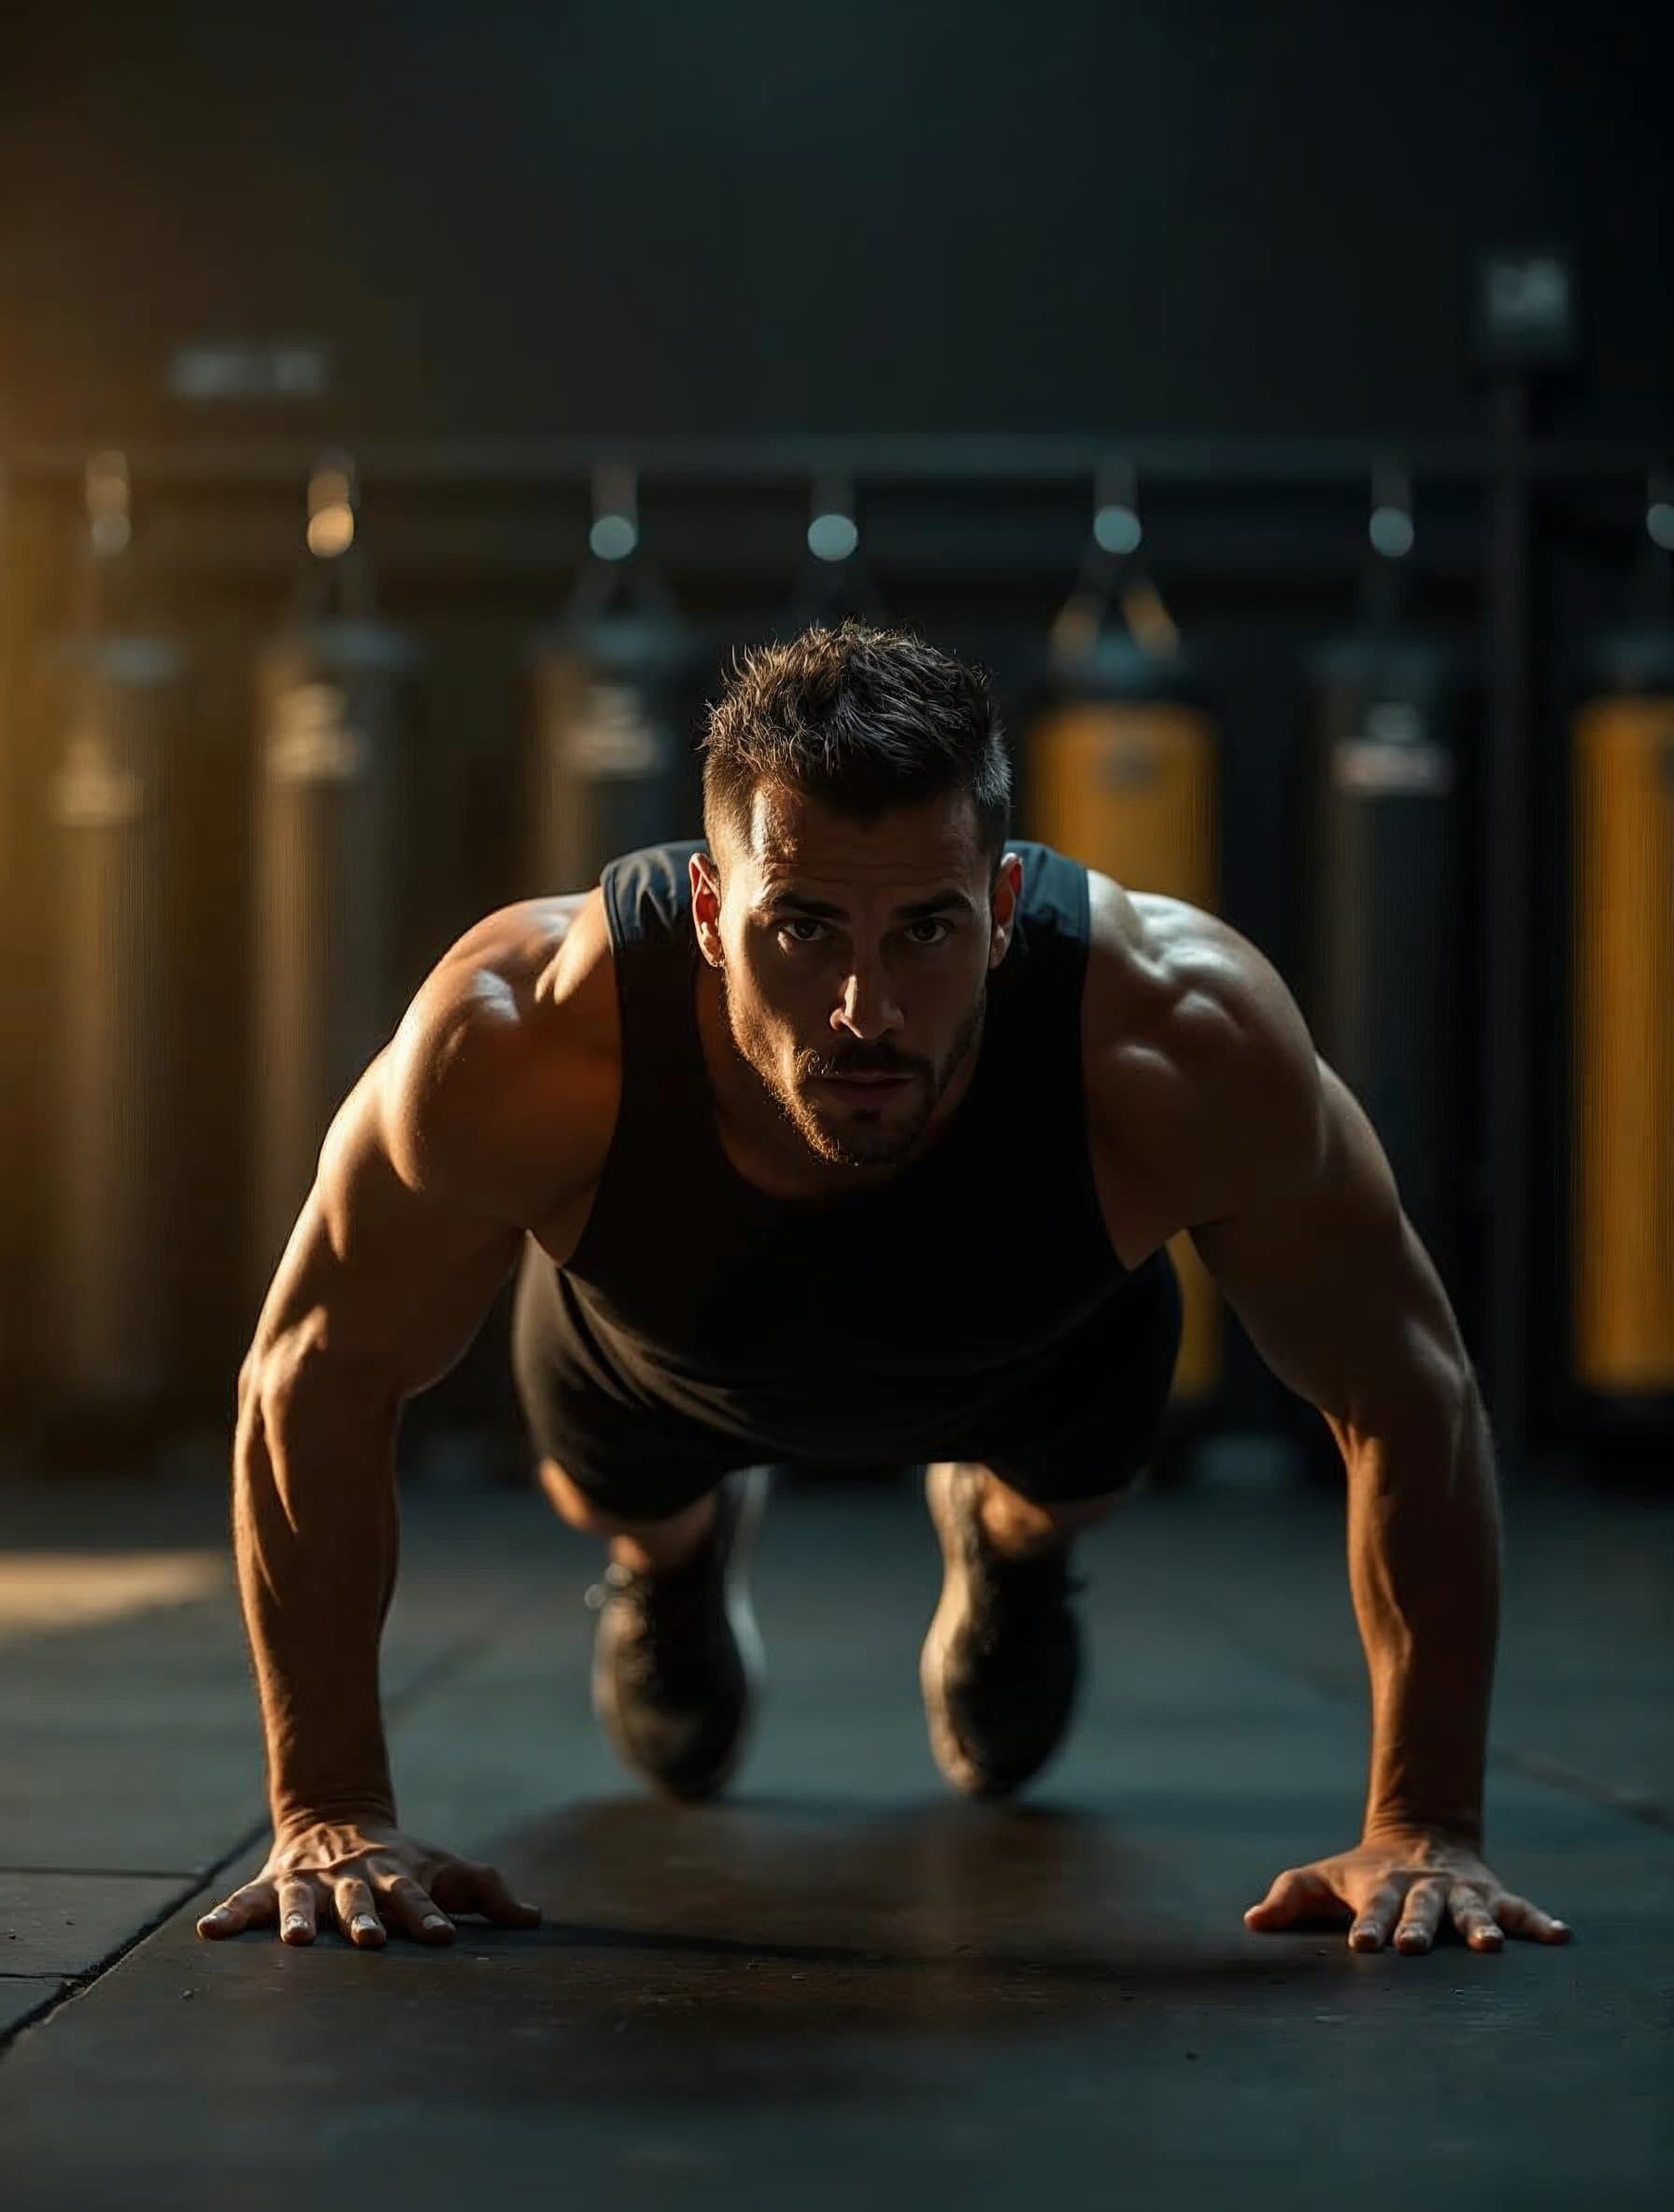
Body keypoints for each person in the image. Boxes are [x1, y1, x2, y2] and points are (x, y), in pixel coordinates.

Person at [197, 620, 1570, 1964]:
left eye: (926, 929)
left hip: (1037, 1345)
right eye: (803, 929)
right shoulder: (521, 1035)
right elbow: (311, 1370)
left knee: (1074, 1495)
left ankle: (1012, 1545)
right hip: (659, 1349)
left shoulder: (1180, 1034)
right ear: (711, 913)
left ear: (1009, 908)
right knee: (612, 1500)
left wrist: (1424, 1826)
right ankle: (670, 1562)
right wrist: (326, 1812)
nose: (866, 1007)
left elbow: (1403, 1379)